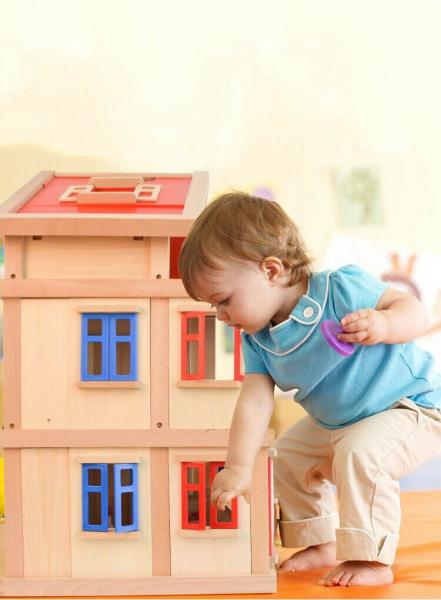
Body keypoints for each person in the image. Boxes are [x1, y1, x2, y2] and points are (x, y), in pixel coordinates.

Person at [178, 191, 441, 587]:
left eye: (224, 301)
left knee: (361, 454)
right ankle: (319, 541)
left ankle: (371, 557)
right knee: (285, 455)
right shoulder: (258, 341)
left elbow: (416, 312)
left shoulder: (341, 289)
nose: (220, 316)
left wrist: (384, 325)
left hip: (409, 407)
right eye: (213, 307)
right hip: (341, 421)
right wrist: (237, 466)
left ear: (270, 271)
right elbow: (253, 403)